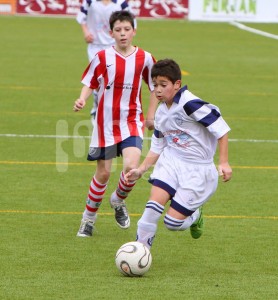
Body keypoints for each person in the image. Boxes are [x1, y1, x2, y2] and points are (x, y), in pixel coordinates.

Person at [124, 58, 232, 249]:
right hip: (171, 162)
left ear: (177, 84)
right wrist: (141, 169)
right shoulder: (160, 112)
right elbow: (157, 145)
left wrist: (223, 162)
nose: (157, 90)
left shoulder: (190, 104)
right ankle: (140, 250)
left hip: (199, 171)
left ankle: (195, 215)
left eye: (163, 85)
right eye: (155, 85)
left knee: (172, 223)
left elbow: (221, 130)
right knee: (151, 209)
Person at [73, 10, 158, 237]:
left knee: (131, 169)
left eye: (127, 30)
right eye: (118, 30)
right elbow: (89, 81)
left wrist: (150, 116)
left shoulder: (145, 58)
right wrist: (82, 98)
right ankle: (88, 219)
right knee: (103, 174)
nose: (123, 34)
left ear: (134, 31)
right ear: (111, 33)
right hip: (105, 125)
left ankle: (118, 199)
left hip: (132, 121)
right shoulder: (102, 57)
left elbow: (155, 88)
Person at [76, 0, 135, 119]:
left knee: (114, 80)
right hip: (95, 47)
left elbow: (133, 23)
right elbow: (81, 17)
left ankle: (116, 111)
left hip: (114, 46)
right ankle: (96, 109)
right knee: (97, 80)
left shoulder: (121, 3)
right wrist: (86, 32)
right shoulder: (90, 2)